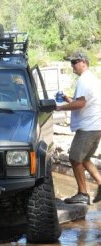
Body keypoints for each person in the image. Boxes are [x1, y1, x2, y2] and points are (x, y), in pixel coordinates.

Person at [56, 51, 101, 205]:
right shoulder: (92, 79)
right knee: (85, 158)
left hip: (87, 128)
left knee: (75, 159)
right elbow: (84, 101)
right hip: (96, 126)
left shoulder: (84, 80)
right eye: (71, 63)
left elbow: (81, 104)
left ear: (83, 62)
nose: (72, 66)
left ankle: (83, 194)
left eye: (74, 62)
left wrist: (60, 107)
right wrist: (69, 100)